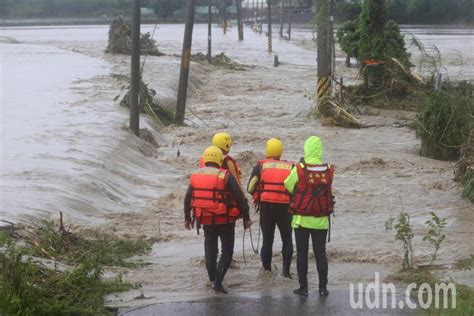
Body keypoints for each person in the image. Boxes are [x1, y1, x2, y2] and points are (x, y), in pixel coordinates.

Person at [185, 146, 252, 293]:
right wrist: (246, 218)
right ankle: (218, 281)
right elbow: (240, 198)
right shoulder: (225, 175)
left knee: (210, 251)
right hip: (225, 220)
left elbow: (188, 198)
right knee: (227, 251)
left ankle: (212, 280)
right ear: (219, 160)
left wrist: (187, 218)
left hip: (205, 220)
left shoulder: (196, 175)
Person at [284, 136, 335, 297]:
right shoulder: (328, 170)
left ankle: (303, 288)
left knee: (302, 253)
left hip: (301, 219)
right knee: (321, 253)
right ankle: (322, 288)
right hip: (321, 221)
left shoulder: (299, 169)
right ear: (320, 150)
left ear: (306, 149)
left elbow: (287, 184)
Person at [247, 138, 294, 278]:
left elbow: (250, 188)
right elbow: (295, 188)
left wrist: (259, 194)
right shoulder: (290, 166)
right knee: (287, 239)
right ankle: (286, 272)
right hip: (285, 208)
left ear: (267, 151)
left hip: (267, 207)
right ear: (280, 152)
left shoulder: (261, 166)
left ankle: (267, 271)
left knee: (267, 240)